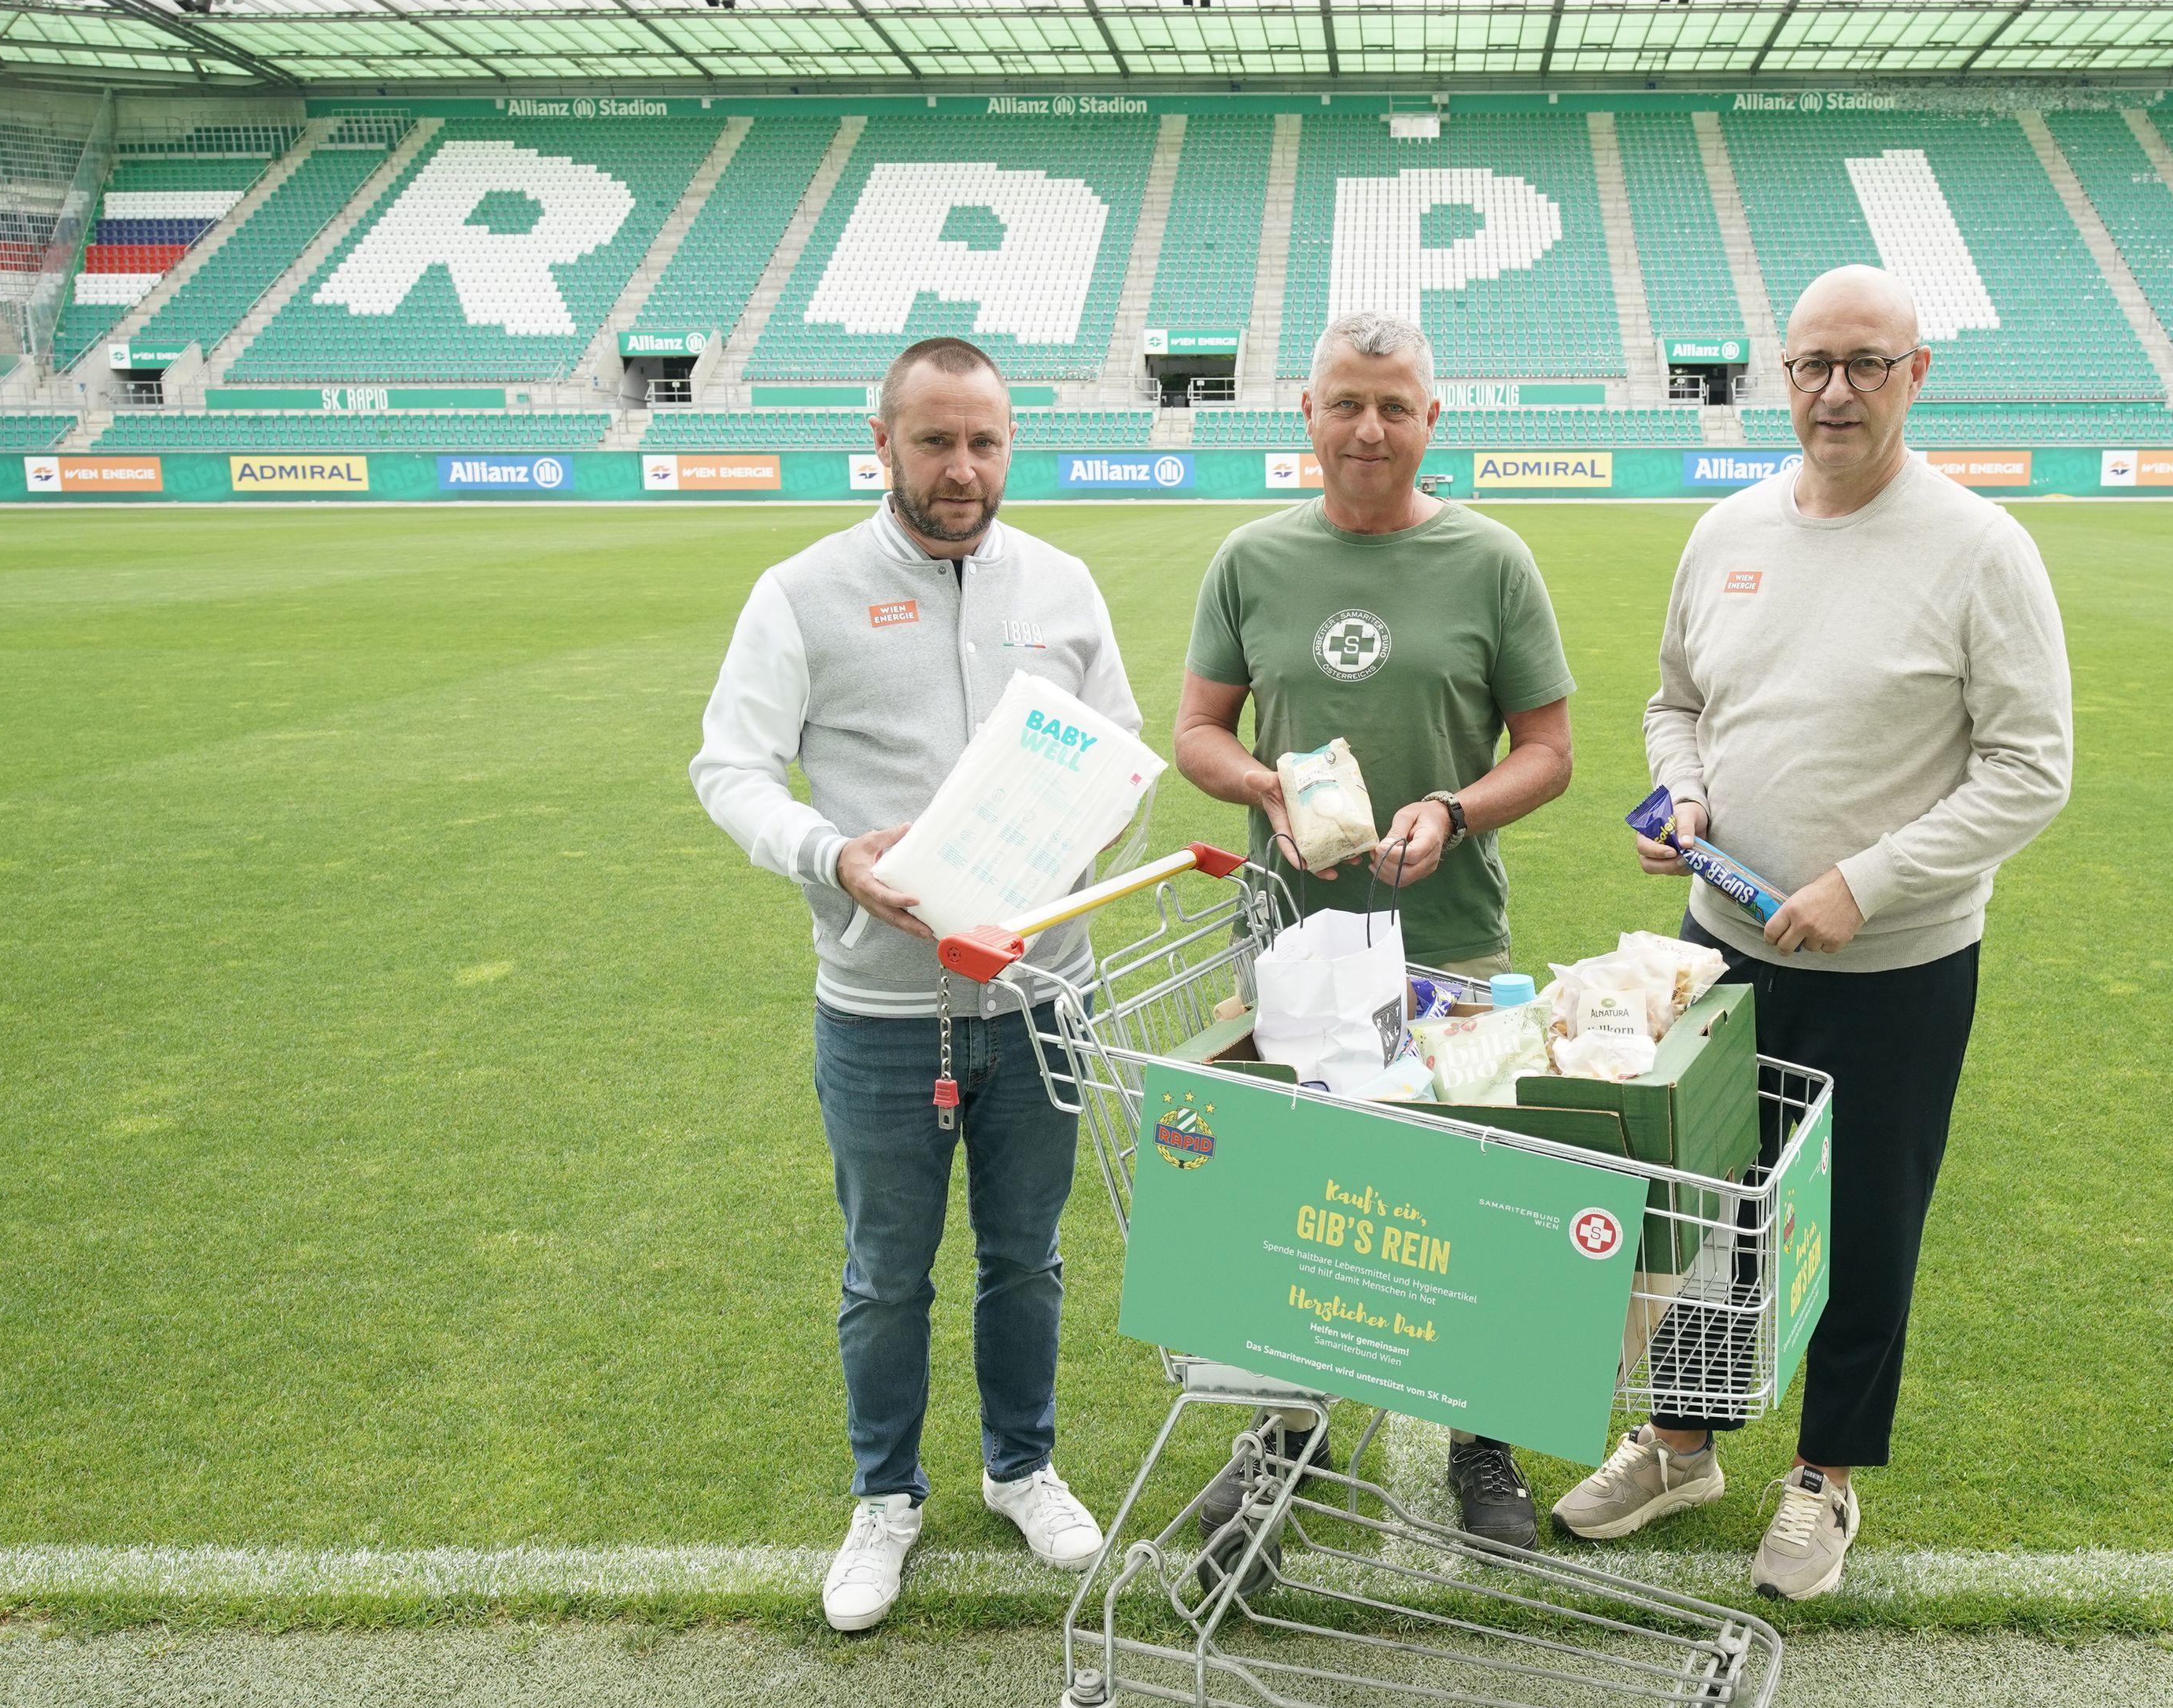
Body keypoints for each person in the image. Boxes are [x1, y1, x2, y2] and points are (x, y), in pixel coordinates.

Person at [1549, 264, 2074, 1600]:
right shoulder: (1726, 531)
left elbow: (2030, 767)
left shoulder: (1980, 550)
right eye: (1812, 365)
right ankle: (1681, 1445)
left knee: (1863, 1224)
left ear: (1917, 374)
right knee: (1704, 1209)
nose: (1835, 391)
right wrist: (1683, 790)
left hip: (1893, 964)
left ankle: (1825, 1478)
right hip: (1718, 945)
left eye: (1866, 364)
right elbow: (1675, 702)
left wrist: (1871, 882)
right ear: (1780, 375)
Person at [691, 335, 1134, 1630]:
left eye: (984, 441)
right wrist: (833, 856)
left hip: (1045, 999)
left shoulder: (1061, 584)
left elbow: (1118, 748)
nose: (962, 467)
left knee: (1028, 1256)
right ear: (880, 441)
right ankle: (885, 1496)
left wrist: (1086, 821)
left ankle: (1021, 1466)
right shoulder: (802, 592)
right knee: (888, 1269)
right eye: (934, 441)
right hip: (885, 1010)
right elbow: (729, 770)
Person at [1171, 308, 1577, 1548]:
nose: (1368, 428)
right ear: (1307, 415)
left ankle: (1482, 1440)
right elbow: (1197, 733)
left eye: (1394, 406)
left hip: (1450, 937)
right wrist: (1265, 788)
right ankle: (1285, 1437)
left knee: (1466, 1193)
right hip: (1288, 941)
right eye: (1346, 403)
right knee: (1289, 1197)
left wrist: (1454, 809)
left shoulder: (1493, 562)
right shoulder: (1250, 560)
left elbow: (1550, 754)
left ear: (1430, 421)